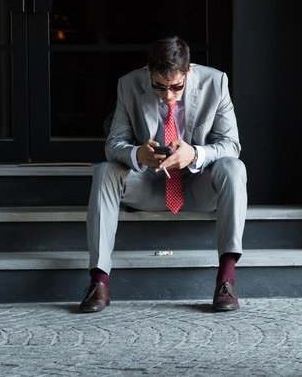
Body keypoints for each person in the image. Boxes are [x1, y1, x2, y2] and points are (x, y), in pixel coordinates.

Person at [79, 36, 247, 313]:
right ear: (148, 72)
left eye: (176, 87)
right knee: (105, 171)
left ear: (188, 71)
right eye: (159, 86)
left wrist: (195, 154)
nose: (168, 95)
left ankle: (226, 280)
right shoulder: (128, 84)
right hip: (148, 183)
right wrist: (136, 154)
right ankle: (99, 282)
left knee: (234, 166)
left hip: (198, 185)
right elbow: (113, 145)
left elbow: (231, 145)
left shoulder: (215, 83)